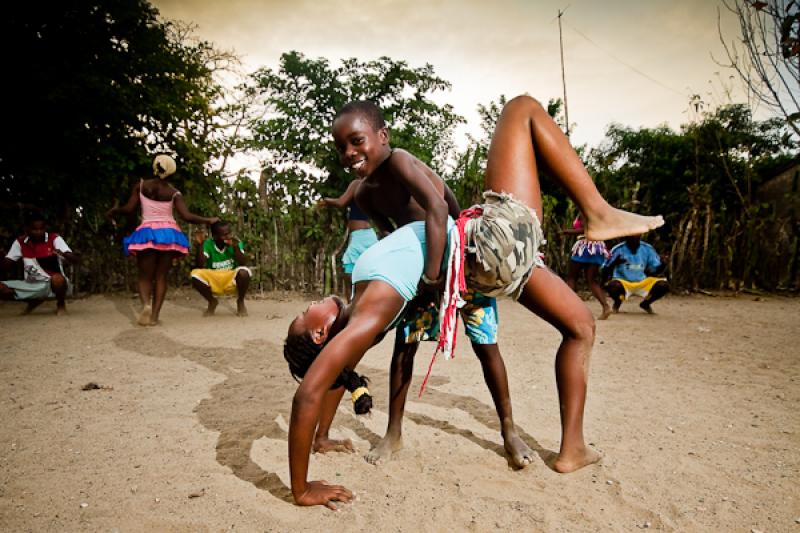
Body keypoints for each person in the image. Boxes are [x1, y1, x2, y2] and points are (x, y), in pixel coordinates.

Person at [283, 95, 664, 510]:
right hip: (477, 252)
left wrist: (321, 435)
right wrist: (301, 489)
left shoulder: (362, 315)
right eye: (305, 314)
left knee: (580, 326)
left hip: (468, 265)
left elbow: (333, 372)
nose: (348, 153)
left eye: (355, 141)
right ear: (322, 331)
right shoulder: (364, 312)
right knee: (521, 109)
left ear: (382, 136)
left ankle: (571, 448)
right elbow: (316, 383)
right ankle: (597, 211)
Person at [107, 155, 218, 326]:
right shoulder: (174, 193)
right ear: (172, 172)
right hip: (168, 235)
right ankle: (154, 317)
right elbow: (187, 216)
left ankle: (146, 305)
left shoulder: (141, 186)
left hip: (147, 232)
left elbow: (129, 209)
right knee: (161, 277)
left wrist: (116, 210)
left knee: (144, 276)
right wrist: (207, 220)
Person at [0, 212, 79, 315]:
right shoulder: (20, 242)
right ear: (27, 229)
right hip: (31, 284)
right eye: (34, 229)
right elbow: (6, 264)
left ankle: (61, 304)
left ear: (45, 228)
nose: (38, 232)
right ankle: (34, 300)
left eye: (41, 229)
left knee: (58, 279)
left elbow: (76, 260)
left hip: (52, 283)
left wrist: (65, 254)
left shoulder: (54, 239)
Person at [317, 178, 378, 299]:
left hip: (360, 236)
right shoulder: (372, 186)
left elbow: (341, 202)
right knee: (365, 271)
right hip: (369, 235)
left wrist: (325, 201)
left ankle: (351, 305)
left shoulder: (357, 183)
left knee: (348, 272)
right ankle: (359, 302)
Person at [190, 220, 251, 317]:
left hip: (230, 277)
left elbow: (243, 262)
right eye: (224, 235)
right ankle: (212, 301)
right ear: (215, 236)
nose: (228, 236)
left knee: (244, 272)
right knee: (195, 274)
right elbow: (200, 264)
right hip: (214, 278)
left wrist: (235, 248)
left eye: (229, 233)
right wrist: (201, 245)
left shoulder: (236, 242)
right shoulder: (208, 243)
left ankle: (240, 301)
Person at [563, 214, 612, 320]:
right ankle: (606, 306)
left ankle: (570, 308)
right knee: (592, 280)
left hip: (585, 246)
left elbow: (586, 230)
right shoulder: (597, 211)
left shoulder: (585, 210)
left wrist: (567, 232)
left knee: (572, 278)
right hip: (598, 247)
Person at [604, 234, 669, 314]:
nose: (634, 240)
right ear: (626, 238)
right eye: (631, 238)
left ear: (640, 237)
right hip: (623, 282)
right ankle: (617, 302)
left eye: (637, 238)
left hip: (642, 282)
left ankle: (645, 304)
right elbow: (604, 269)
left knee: (663, 285)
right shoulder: (618, 249)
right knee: (612, 286)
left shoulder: (647, 248)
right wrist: (614, 263)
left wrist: (663, 264)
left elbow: (655, 270)